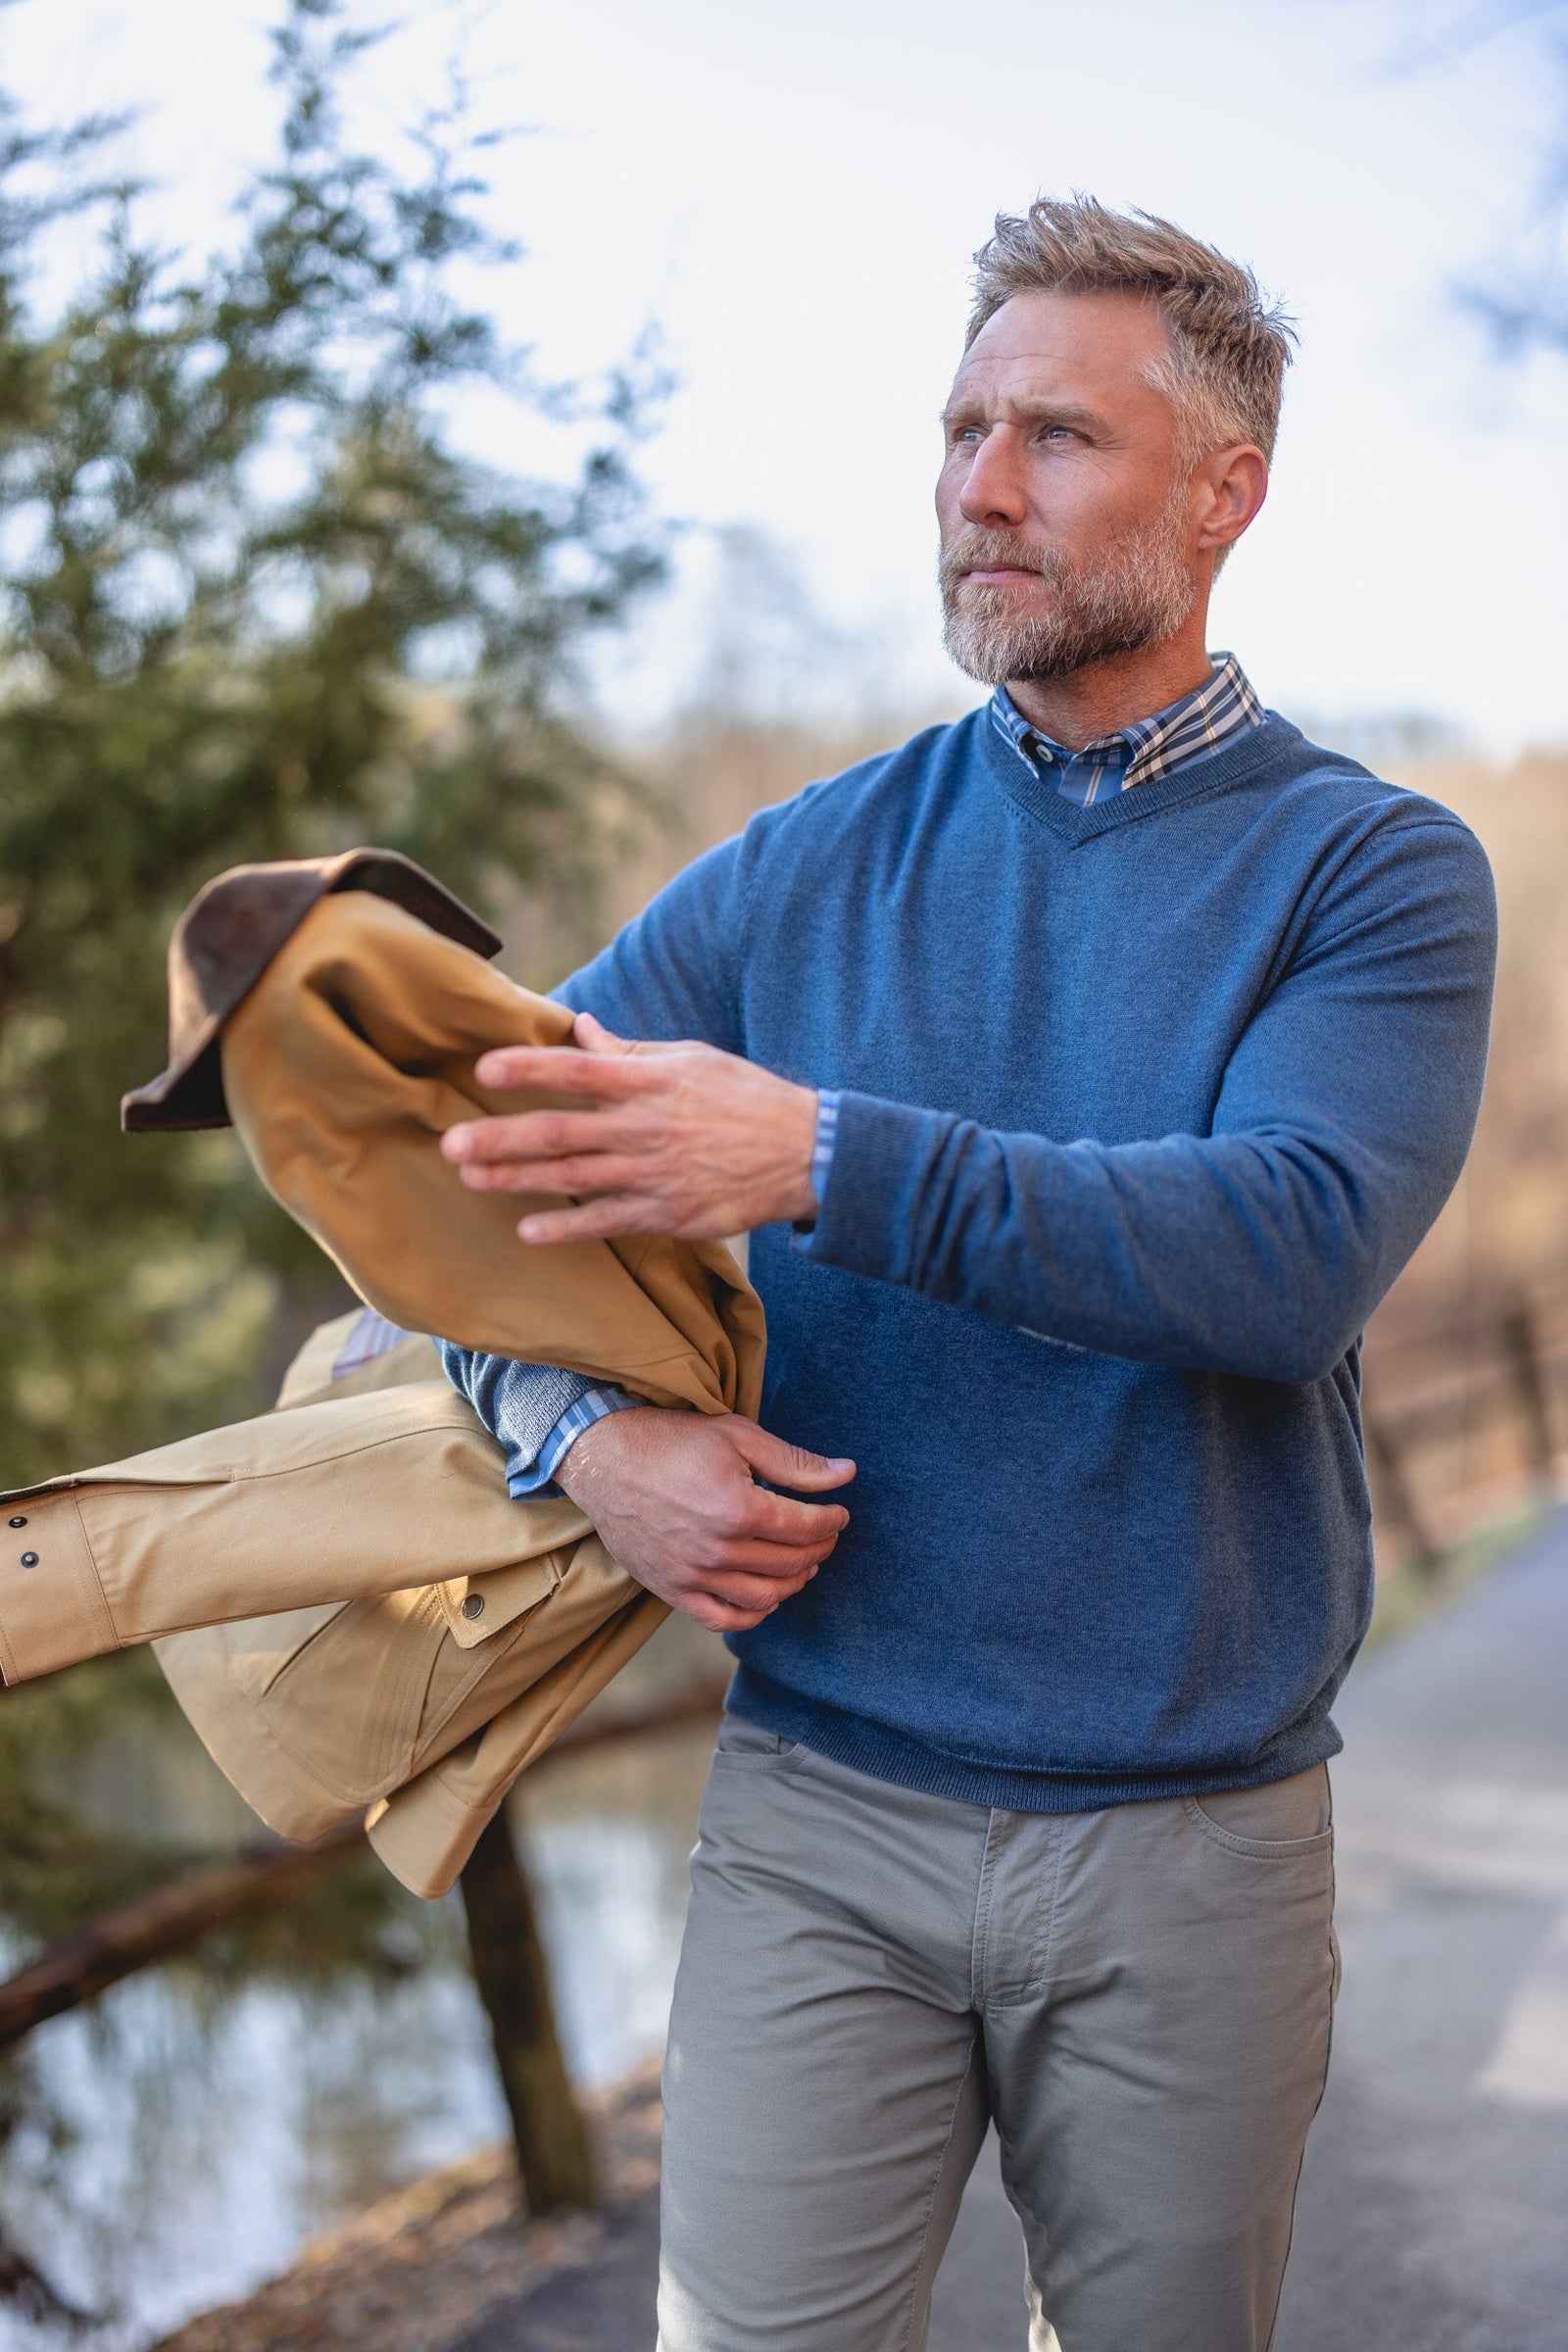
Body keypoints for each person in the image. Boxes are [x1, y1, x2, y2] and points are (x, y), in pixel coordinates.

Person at [417, 197, 1497, 2352]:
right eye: (958, 430)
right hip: (814, 1817)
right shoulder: (805, 860)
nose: (979, 489)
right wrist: (585, 1440)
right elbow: (449, 1187)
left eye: (1055, 437)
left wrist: (814, 1156)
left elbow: (1283, 1250)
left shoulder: (1373, 870)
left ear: (1223, 495)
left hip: (1188, 1847)